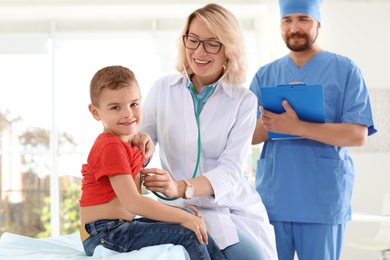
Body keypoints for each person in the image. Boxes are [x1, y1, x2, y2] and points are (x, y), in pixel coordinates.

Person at [139, 3, 277, 260]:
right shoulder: (162, 89)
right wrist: (140, 146)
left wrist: (180, 187)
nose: (199, 51)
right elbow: (140, 144)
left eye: (212, 43)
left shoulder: (243, 101)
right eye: (193, 40)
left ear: (229, 50)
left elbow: (230, 171)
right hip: (177, 208)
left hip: (227, 207)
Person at [249, 0, 377, 259]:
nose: (294, 27)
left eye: (303, 19)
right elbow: (246, 135)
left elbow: (358, 134)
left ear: (318, 23)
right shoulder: (266, 74)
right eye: (287, 20)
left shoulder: (345, 70)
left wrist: (298, 126)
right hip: (275, 198)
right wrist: (279, 124)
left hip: (322, 199)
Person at [79, 65, 221, 259]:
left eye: (134, 104)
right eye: (115, 107)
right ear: (95, 112)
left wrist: (180, 213)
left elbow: (136, 169)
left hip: (118, 227)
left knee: (192, 221)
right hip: (103, 233)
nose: (128, 113)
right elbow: (133, 202)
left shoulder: (125, 144)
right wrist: (181, 216)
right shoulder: (109, 146)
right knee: (188, 233)